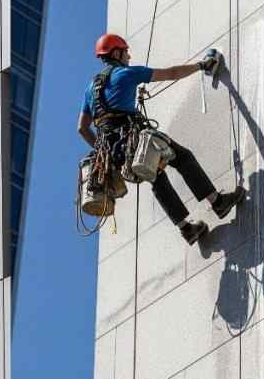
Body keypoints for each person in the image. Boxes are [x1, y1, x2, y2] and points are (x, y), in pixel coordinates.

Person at [77, 33, 246, 245]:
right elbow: (171, 73)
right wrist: (201, 65)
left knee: (156, 177)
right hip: (133, 139)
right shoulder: (126, 74)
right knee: (182, 158)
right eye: (126, 52)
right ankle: (218, 202)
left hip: (114, 153)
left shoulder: (91, 89)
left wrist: (107, 155)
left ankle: (187, 229)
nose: (129, 56)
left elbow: (82, 128)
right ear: (116, 53)